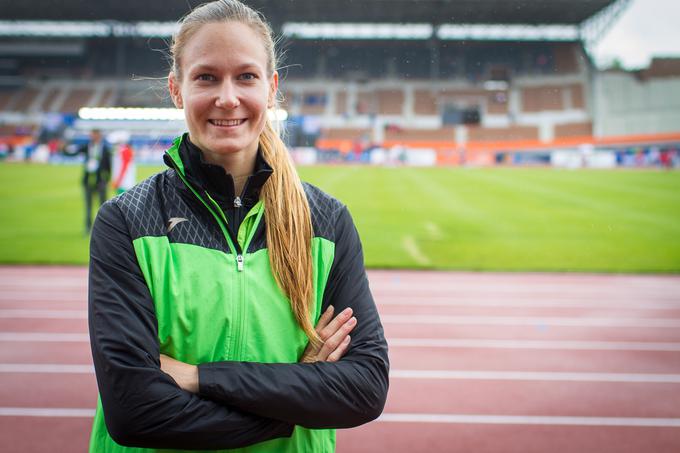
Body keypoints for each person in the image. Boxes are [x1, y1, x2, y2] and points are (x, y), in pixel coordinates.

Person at [87, 1, 389, 452]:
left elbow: (363, 388)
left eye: (245, 76)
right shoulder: (127, 221)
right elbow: (134, 412)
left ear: (271, 88)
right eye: (206, 77)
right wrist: (297, 400)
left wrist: (196, 377)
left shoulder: (325, 222)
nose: (227, 98)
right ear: (176, 89)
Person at [66, 129, 112, 233]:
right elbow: (74, 153)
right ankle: (87, 228)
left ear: (99, 135)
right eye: (91, 135)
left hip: (100, 181)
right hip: (87, 181)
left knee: (103, 207)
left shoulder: (105, 148)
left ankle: (103, 228)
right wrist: (64, 149)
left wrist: (107, 179)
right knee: (88, 206)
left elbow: (109, 165)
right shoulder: (86, 146)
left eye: (95, 135)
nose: (93, 137)